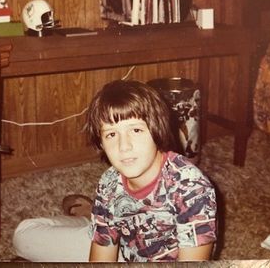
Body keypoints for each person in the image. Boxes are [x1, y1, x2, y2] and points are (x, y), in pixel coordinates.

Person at [12, 79, 217, 262]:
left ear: (158, 130)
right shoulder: (110, 183)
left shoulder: (191, 188)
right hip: (124, 251)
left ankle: (91, 218)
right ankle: (92, 219)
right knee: (23, 235)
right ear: (100, 142)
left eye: (136, 130)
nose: (123, 146)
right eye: (111, 134)